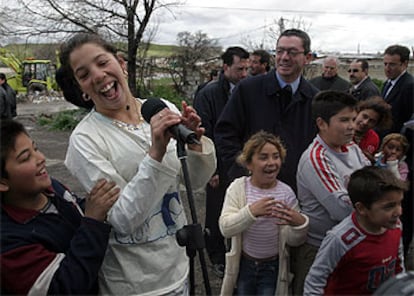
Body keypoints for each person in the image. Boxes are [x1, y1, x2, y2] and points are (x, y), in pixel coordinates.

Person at [59, 32, 216, 295]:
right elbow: (121, 219)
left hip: (178, 268)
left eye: (102, 62)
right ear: (82, 90)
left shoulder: (160, 108)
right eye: (84, 75)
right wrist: (155, 152)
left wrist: (192, 143)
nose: (98, 76)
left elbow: (195, 181)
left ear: (120, 63)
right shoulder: (84, 140)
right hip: (135, 283)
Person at [0, 119, 120, 295]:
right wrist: (93, 222)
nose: (41, 159)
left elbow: (77, 210)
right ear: (2, 182)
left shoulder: (51, 189)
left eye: (36, 148)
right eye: (26, 157)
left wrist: (95, 203)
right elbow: (64, 286)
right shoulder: (9, 243)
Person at [215, 28, 319, 194]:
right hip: (250, 190)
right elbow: (225, 134)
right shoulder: (248, 90)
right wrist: (242, 171)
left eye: (292, 52)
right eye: (280, 51)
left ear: (307, 58)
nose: (284, 58)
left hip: (296, 193)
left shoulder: (315, 99)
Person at [294, 90, 371, 294]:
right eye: (344, 120)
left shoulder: (352, 148)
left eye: (353, 119)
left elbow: (375, 184)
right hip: (320, 249)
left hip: (353, 244)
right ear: (321, 123)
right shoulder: (316, 157)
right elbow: (342, 209)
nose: (352, 126)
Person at [219, 131, 309, 295]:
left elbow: (294, 241)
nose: (271, 162)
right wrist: (251, 212)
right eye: (263, 157)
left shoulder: (285, 193)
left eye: (276, 156)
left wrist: (299, 224)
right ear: (248, 164)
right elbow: (225, 228)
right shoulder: (238, 188)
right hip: (244, 265)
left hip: (273, 267)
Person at [304, 166, 407, 295]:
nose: (398, 212)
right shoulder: (341, 239)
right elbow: (315, 282)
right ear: (362, 208)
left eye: (400, 203)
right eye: (389, 206)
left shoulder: (396, 226)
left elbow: (398, 265)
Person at [193, 46, 249, 278]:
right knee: (216, 210)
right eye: (240, 69)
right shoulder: (209, 93)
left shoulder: (248, 90)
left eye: (247, 68)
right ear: (225, 68)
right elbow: (204, 132)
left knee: (241, 207)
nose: (245, 73)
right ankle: (216, 256)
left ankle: (238, 253)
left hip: (241, 161)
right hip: (218, 165)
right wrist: (211, 169)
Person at [382, 44, 414, 261]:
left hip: (403, 158)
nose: (387, 68)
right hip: (389, 154)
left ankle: (400, 251)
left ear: (404, 63)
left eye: (392, 64)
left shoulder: (410, 86)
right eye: (385, 64)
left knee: (404, 208)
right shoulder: (387, 84)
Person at [353, 96, 392, 163]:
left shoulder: (373, 138)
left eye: (372, 121)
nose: (365, 122)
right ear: (358, 112)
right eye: (364, 116)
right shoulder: (342, 128)